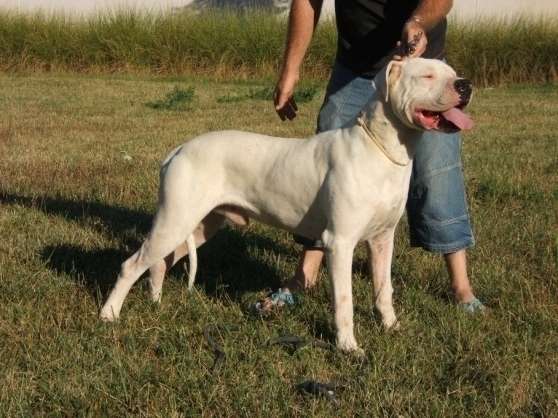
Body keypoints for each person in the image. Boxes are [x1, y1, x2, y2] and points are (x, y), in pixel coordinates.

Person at [255, 0, 485, 313]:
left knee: (436, 173)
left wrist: (417, 21)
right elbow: (307, 3)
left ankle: (462, 288)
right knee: (324, 174)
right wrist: (290, 70)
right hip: (355, 70)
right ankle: (304, 275)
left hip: (421, 70)